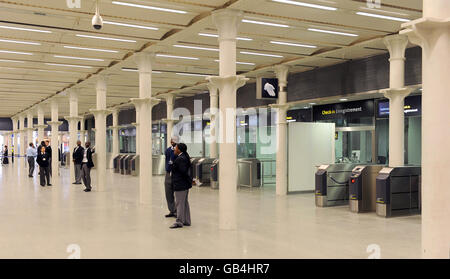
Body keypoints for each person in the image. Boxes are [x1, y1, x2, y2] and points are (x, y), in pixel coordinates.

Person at [170, 143, 192, 229]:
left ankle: (179, 222)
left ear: (179, 150)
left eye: (175, 148)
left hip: (180, 184)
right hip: (184, 184)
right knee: (184, 203)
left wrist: (173, 167)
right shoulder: (184, 157)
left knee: (179, 203)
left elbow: (183, 172)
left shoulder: (181, 159)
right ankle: (186, 220)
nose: (174, 149)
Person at [164, 136, 179, 218]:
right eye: (171, 140)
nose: (172, 141)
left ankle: (178, 211)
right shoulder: (168, 150)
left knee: (177, 194)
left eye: (173, 140)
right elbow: (167, 159)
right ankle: (172, 210)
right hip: (168, 173)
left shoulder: (179, 150)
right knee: (168, 193)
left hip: (176, 174)